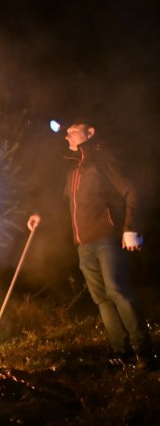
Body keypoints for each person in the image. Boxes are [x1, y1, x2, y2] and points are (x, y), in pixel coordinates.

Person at [36, 118, 152, 369]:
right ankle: (120, 351)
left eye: (72, 132)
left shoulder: (103, 159)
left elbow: (132, 190)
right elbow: (62, 201)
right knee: (102, 299)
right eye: (66, 133)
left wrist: (131, 228)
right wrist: (40, 214)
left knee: (117, 291)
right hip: (83, 245)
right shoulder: (73, 170)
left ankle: (144, 351)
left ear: (90, 133)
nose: (67, 136)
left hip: (107, 239)